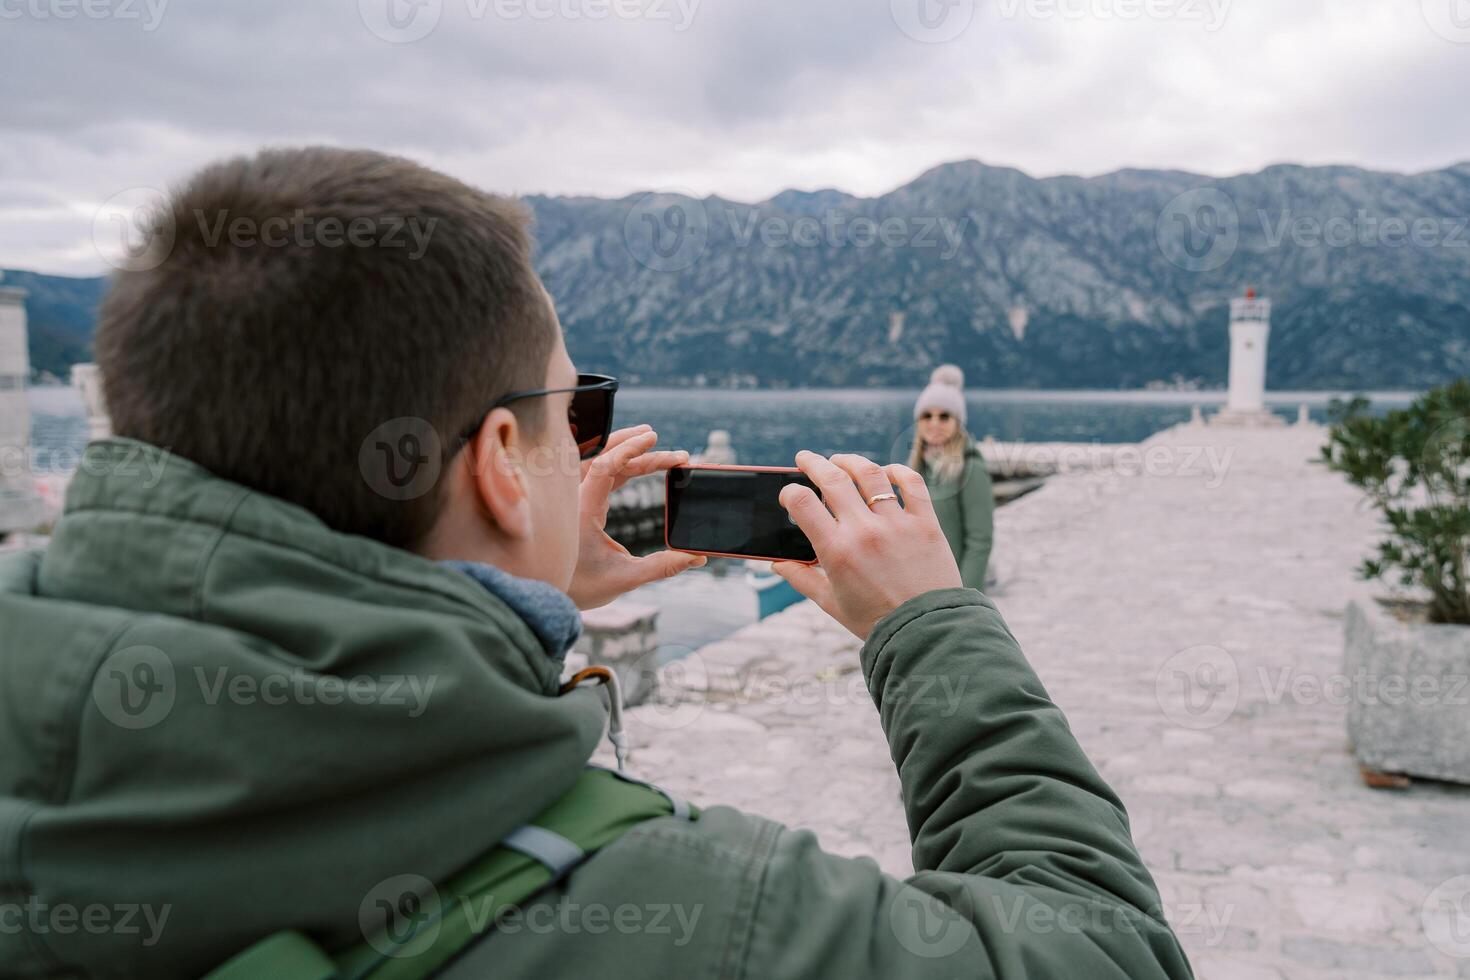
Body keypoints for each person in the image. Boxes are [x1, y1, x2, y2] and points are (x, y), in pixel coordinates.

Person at [0, 148, 1191, 978]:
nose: (592, 442)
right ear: (504, 460)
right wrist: (930, 623)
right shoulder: (688, 909)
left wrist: (511, 605)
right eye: (577, 410)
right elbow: (1102, 951)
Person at [908, 364, 995, 590]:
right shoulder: (917, 469)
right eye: (927, 416)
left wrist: (964, 598)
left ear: (958, 422)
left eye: (944, 416)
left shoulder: (970, 467)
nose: (934, 423)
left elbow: (979, 542)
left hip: (953, 590)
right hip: (920, 586)